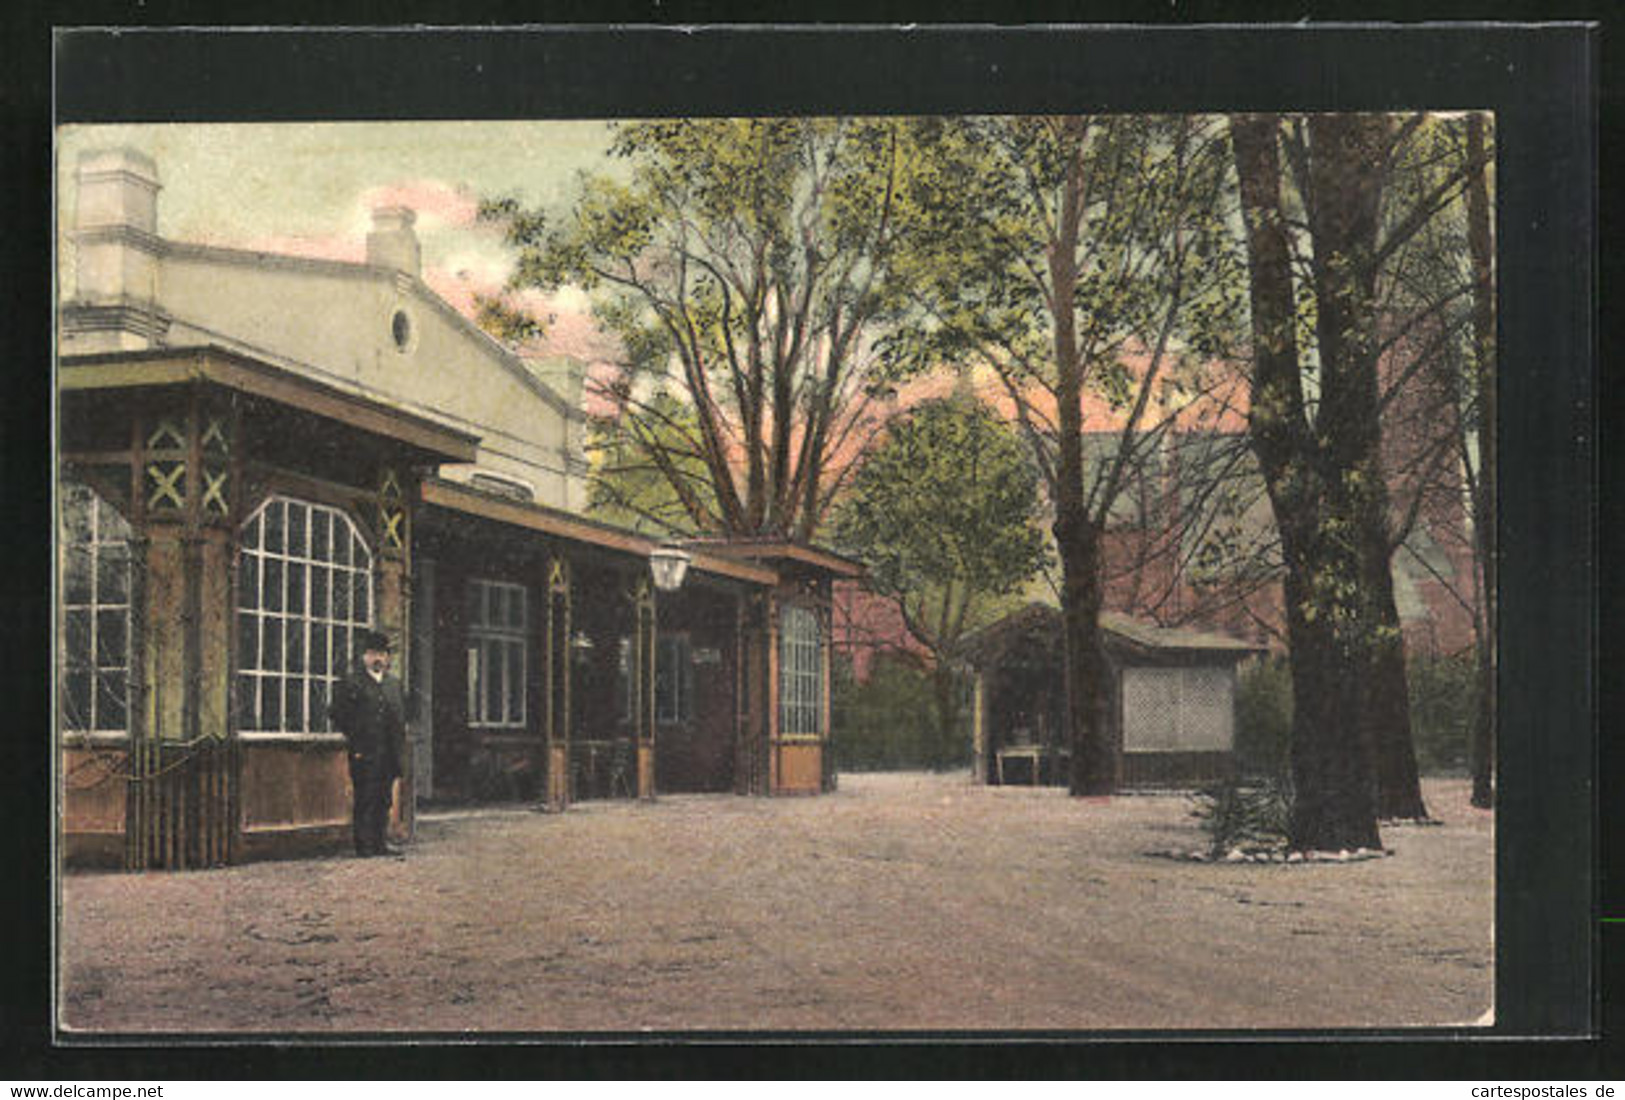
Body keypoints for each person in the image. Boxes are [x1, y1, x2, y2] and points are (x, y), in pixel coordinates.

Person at [329, 628, 406, 858]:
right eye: (372, 653)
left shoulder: (394, 685)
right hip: (364, 752)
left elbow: (401, 716)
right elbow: (336, 713)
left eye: (382, 654)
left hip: (389, 754)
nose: (378, 659)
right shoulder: (352, 683)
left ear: (388, 658)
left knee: (384, 799)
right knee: (365, 798)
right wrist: (357, 737)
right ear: (364, 657)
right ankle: (364, 846)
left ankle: (380, 843)